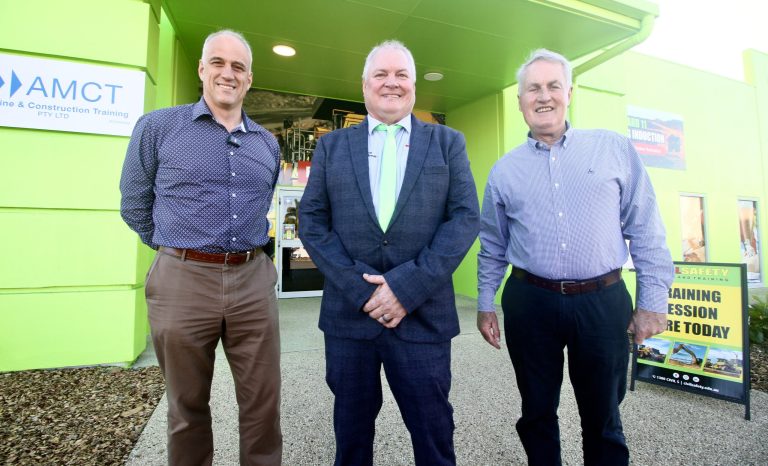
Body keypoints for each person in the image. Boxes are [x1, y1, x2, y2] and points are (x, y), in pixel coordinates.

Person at [476, 48, 674, 466]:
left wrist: (653, 301)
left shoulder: (612, 149)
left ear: (569, 92)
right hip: (531, 302)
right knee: (536, 411)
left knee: (603, 415)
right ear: (520, 101)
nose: (543, 96)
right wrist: (484, 303)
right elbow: (492, 246)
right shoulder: (504, 171)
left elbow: (646, 227)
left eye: (552, 86)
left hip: (603, 302)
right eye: (533, 88)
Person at [298, 40, 480, 466]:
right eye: (380, 74)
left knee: (433, 433)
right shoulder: (332, 147)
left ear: (414, 87)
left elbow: (465, 218)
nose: (391, 83)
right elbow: (313, 222)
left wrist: (405, 287)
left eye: (401, 75)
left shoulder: (447, 143)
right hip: (349, 319)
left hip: (423, 318)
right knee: (351, 435)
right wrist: (362, 291)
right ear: (364, 86)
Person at [119, 29, 282, 465]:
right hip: (182, 280)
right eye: (218, 63)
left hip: (252, 278)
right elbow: (134, 203)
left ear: (249, 78)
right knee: (186, 407)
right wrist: (177, 251)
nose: (227, 74)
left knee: (263, 405)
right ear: (202, 69)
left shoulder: (267, 143)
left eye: (238, 67)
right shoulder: (158, 128)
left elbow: (260, 206)